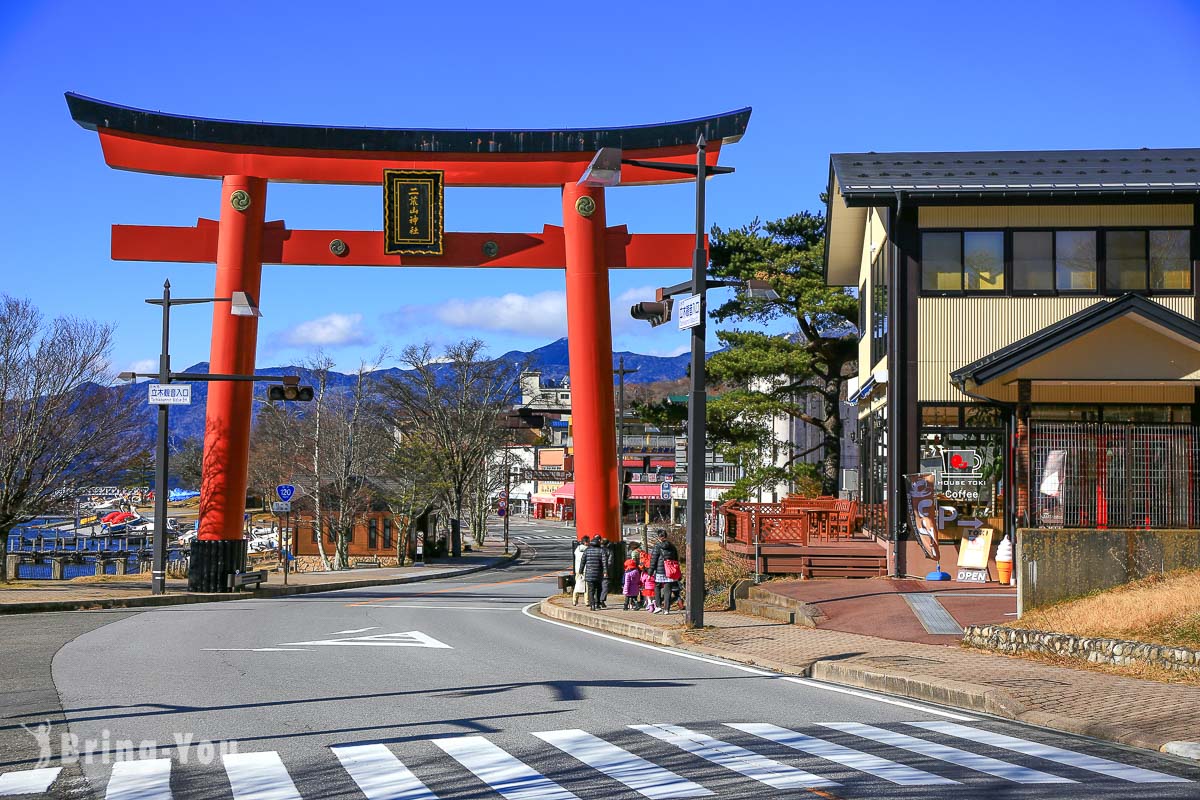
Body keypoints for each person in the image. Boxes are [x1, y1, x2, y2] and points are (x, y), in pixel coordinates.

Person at [649, 530, 679, 614]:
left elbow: (653, 560)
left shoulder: (657, 546)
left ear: (659, 537)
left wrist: (650, 573)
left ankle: (658, 606)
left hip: (660, 571)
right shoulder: (672, 546)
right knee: (668, 589)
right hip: (670, 570)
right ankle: (666, 609)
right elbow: (676, 559)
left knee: (657, 587)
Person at [580, 536, 608, 611]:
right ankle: (598, 603)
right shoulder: (601, 551)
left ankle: (592, 605)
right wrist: (605, 572)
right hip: (598, 573)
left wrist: (580, 571)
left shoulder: (587, 550)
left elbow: (582, 562)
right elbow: (604, 562)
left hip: (589, 573)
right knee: (599, 589)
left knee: (591, 590)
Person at [572, 537, 589, 606]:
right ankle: (587, 601)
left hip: (577, 570)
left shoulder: (577, 550)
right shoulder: (587, 550)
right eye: (588, 541)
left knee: (577, 586)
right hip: (586, 570)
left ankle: (574, 601)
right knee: (587, 587)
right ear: (585, 542)